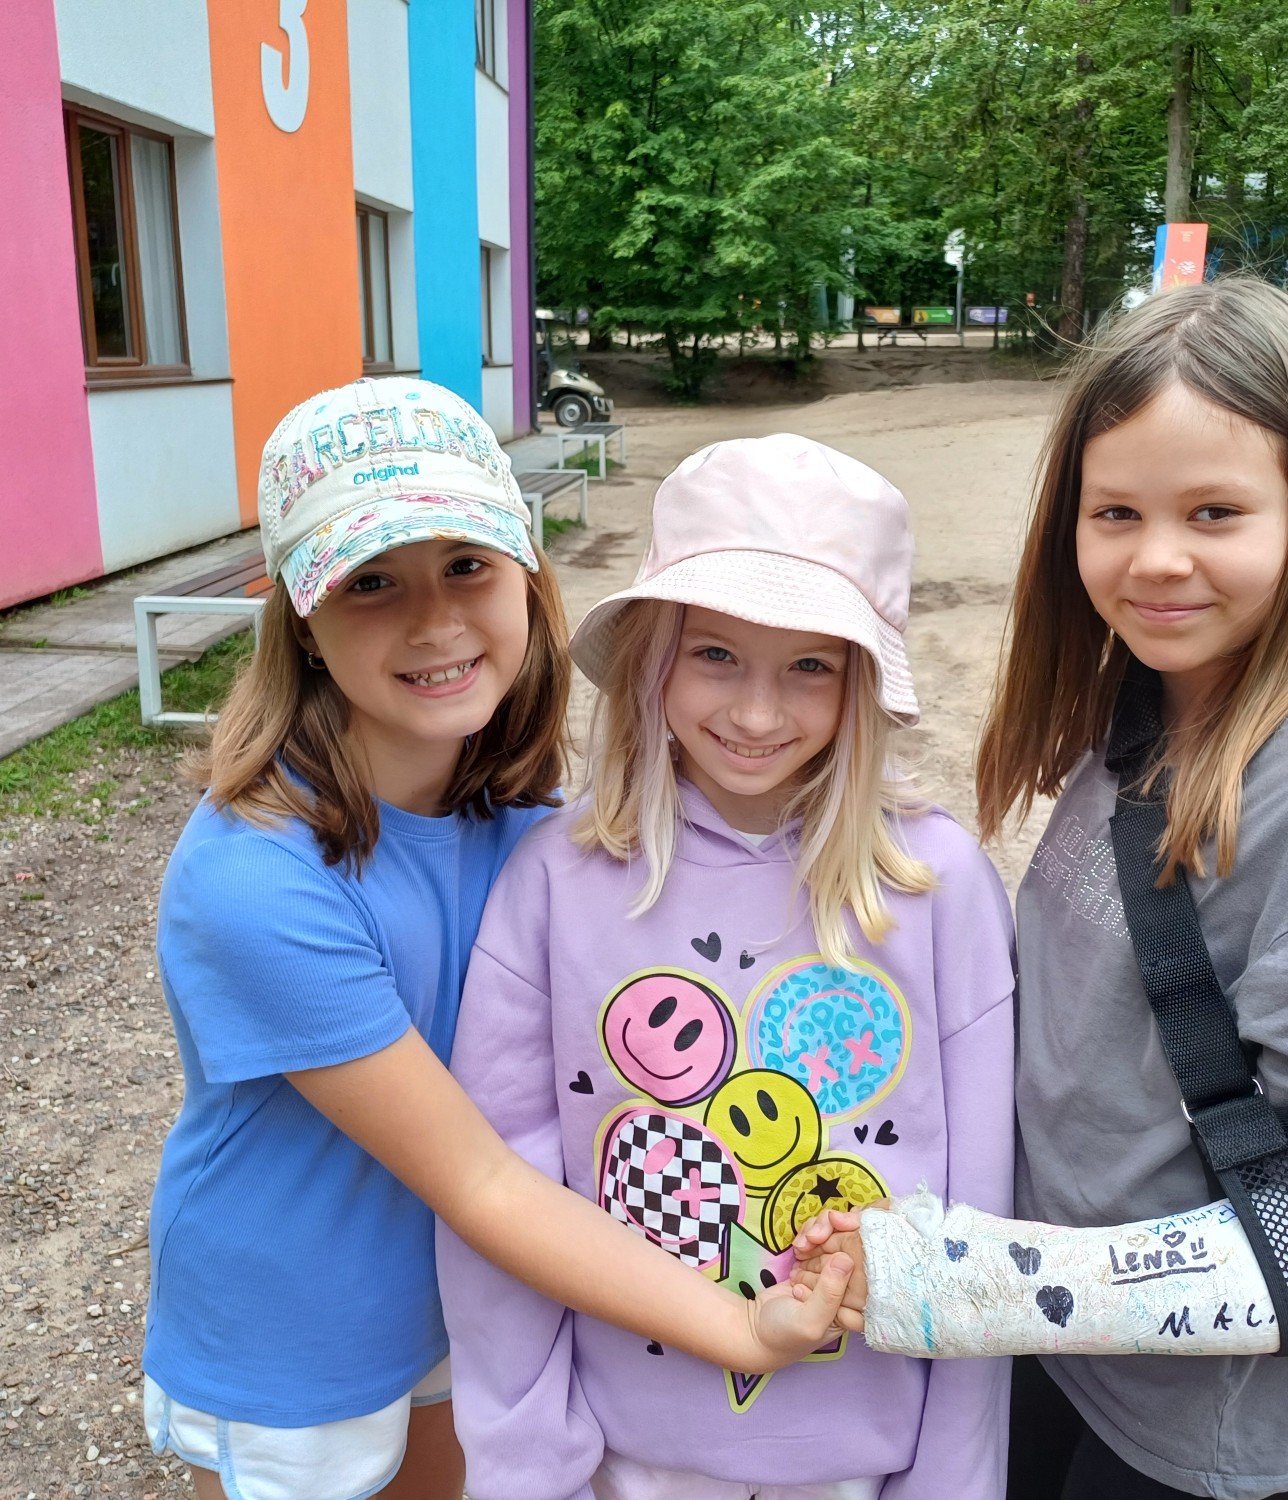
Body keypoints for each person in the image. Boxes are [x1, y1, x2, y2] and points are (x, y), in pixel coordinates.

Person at [794, 278, 1288, 1500]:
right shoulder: (1148, 705)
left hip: (1202, 1428)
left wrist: (976, 1283)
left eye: (1214, 512)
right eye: (1114, 512)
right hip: (1069, 1356)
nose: (1156, 559)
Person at [142, 380, 851, 1500]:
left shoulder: (529, 819)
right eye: (371, 581)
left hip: (477, 1297)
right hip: (299, 1328)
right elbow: (478, 1178)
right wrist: (738, 1326)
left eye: (466, 565)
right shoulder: (255, 880)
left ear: (528, 577)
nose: (434, 622)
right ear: (302, 620)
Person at [437, 434, 1016, 1499]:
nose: (755, 713)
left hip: (867, 1465)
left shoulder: (940, 886)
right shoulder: (553, 879)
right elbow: (500, 1197)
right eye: (715, 654)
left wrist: (953, 1480)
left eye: (810, 665)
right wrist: (526, 1468)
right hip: (621, 1462)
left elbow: (979, 1224)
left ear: (861, 679)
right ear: (653, 655)